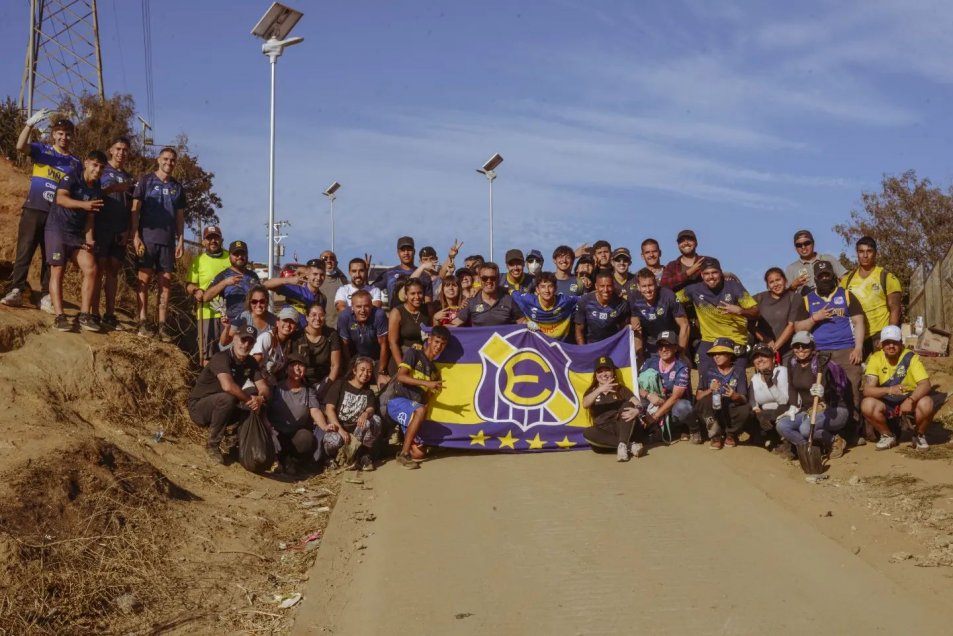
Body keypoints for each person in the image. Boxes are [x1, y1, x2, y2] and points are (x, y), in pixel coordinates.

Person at [3, 111, 80, 311]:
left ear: (72, 136)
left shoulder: (76, 163)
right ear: (54, 134)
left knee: (50, 255)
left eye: (68, 134)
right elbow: (20, 146)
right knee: (24, 250)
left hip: (57, 216)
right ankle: (17, 290)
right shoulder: (42, 150)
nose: (64, 138)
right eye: (60, 133)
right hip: (34, 208)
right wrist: (29, 125)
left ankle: (46, 295)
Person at [792, 260, 865, 428]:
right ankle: (828, 428)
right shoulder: (807, 300)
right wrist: (815, 318)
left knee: (851, 388)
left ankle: (852, 428)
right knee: (823, 391)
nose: (824, 278)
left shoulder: (845, 295)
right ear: (815, 278)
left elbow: (859, 322)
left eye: (827, 275)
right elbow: (798, 328)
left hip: (846, 349)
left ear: (833, 276)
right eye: (820, 276)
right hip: (819, 352)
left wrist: (858, 347)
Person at [188, 323, 269, 464]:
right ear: (235, 339)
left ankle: (237, 443)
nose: (245, 345)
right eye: (243, 340)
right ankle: (212, 445)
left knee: (255, 400)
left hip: (223, 407)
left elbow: (264, 387)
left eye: (250, 342)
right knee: (230, 398)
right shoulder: (221, 357)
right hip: (200, 408)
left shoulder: (250, 362)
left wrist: (260, 399)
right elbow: (227, 386)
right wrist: (250, 399)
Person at [45, 149, 107, 332]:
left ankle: (84, 315)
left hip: (76, 234)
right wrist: (84, 204)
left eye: (102, 168)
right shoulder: (71, 177)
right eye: (95, 165)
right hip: (57, 229)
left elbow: (90, 216)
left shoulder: (96, 188)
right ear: (86, 162)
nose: (98, 170)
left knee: (91, 267)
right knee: (58, 269)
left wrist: (89, 239)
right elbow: (61, 199)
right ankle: (59, 316)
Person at [130, 147, 186, 341]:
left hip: (168, 242)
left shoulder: (177, 187)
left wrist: (180, 240)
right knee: (143, 280)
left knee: (165, 284)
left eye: (172, 160)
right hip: (147, 239)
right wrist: (135, 235)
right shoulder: (145, 181)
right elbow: (135, 210)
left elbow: (180, 216)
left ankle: (162, 326)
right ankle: (143, 321)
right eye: (166, 159)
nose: (168, 163)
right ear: (158, 159)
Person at [677, 257, 759, 381]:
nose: (711, 277)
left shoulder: (734, 287)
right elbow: (669, 299)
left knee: (736, 381)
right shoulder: (694, 290)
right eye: (706, 274)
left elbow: (756, 311)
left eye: (714, 272)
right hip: (709, 340)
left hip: (735, 340)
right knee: (705, 378)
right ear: (701, 275)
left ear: (720, 272)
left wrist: (741, 310)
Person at [861, 325, 937, 451]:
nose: (891, 346)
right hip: (887, 401)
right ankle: (887, 436)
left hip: (909, 397)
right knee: (867, 404)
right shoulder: (875, 359)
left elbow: (925, 384)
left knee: (927, 403)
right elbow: (867, 390)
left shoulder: (911, 357)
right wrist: (889, 390)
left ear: (901, 343)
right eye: (887, 343)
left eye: (895, 342)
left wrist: (911, 400)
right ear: (881, 344)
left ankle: (918, 435)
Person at [776, 331, 850, 459]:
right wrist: (793, 407)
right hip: (808, 410)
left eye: (805, 346)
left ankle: (835, 441)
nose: (800, 349)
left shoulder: (822, 363)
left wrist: (823, 392)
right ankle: (807, 450)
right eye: (796, 346)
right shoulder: (792, 363)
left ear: (812, 346)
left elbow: (829, 389)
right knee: (783, 425)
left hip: (834, 410)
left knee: (805, 429)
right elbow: (792, 387)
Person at [389, 325, 450, 469]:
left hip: (415, 410)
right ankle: (403, 455)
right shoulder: (414, 353)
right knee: (421, 410)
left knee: (419, 454)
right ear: (429, 339)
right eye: (436, 341)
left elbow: (426, 398)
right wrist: (427, 383)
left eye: (442, 344)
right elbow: (401, 377)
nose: (438, 346)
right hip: (397, 402)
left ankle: (398, 447)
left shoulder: (435, 370)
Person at [91, 136, 134, 330]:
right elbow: (92, 192)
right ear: (111, 149)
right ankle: (93, 312)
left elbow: (130, 207)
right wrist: (114, 188)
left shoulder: (128, 176)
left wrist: (128, 230)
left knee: (114, 269)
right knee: (98, 268)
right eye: (118, 149)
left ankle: (109, 313)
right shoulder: (101, 169)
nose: (121, 153)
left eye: (125, 150)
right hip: (101, 227)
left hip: (120, 230)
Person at [840, 237, 902, 355]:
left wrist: (888, 337)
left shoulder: (887, 277)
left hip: (879, 334)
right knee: (854, 371)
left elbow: (895, 309)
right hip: (856, 336)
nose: (865, 255)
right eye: (861, 251)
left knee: (881, 371)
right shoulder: (847, 280)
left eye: (869, 251)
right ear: (857, 253)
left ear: (875, 253)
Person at [322, 356, 383, 471]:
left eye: (369, 371)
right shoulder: (340, 385)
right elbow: (329, 409)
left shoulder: (368, 392)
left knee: (375, 420)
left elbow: (371, 409)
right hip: (339, 428)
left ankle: (363, 455)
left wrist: (365, 414)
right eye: (362, 369)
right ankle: (330, 459)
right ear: (354, 370)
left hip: (357, 431)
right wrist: (340, 430)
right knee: (333, 440)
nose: (366, 373)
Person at [267, 352, 323, 474]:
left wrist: (325, 426)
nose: (297, 368)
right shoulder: (276, 388)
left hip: (295, 436)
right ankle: (279, 461)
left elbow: (315, 411)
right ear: (286, 369)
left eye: (301, 365)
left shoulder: (309, 391)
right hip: (276, 434)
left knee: (307, 438)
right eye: (293, 365)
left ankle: (292, 461)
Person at [637, 331, 698, 443]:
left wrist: (654, 416)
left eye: (668, 345)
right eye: (661, 346)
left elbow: (675, 397)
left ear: (675, 348)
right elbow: (636, 385)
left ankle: (693, 429)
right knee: (637, 403)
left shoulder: (681, 366)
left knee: (684, 407)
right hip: (653, 403)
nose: (664, 349)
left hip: (672, 406)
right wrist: (648, 395)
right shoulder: (649, 362)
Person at [583, 355, 644, 462]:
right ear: (595, 375)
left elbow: (637, 403)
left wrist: (637, 410)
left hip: (621, 426)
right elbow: (585, 404)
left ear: (612, 372)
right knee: (588, 433)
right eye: (600, 371)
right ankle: (628, 446)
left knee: (628, 405)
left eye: (607, 370)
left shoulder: (620, 388)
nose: (604, 374)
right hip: (603, 431)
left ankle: (623, 444)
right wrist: (600, 389)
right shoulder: (592, 391)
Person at [694, 338, 751, 450]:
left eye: (720, 353)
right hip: (713, 412)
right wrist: (710, 390)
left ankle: (731, 434)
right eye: (714, 354)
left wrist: (735, 396)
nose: (716, 356)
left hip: (731, 411)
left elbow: (744, 399)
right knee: (704, 402)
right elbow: (698, 397)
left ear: (730, 354)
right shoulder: (707, 370)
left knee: (746, 408)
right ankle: (715, 436)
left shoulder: (739, 371)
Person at [185, 226, 231, 362]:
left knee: (229, 354)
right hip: (206, 313)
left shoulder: (230, 258)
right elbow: (188, 284)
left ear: (221, 240)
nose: (213, 241)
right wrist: (195, 290)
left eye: (216, 238)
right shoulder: (199, 261)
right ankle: (209, 382)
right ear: (204, 241)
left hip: (228, 314)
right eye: (209, 238)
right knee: (207, 355)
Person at [629, 268, 689, 363]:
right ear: (638, 287)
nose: (648, 290)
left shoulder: (668, 295)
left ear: (656, 284)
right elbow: (637, 329)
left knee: (681, 365)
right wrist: (639, 354)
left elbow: (684, 325)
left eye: (650, 285)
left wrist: (681, 352)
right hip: (651, 340)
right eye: (644, 286)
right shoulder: (634, 298)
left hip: (671, 338)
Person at [287, 302, 342, 398]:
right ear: (307, 317)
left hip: (324, 379)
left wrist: (326, 388)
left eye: (321, 315)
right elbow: (293, 365)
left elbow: (335, 365)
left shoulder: (331, 334)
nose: (317, 318)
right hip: (301, 379)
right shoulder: (297, 336)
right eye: (313, 315)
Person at [338, 290, 391, 384]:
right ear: (352, 307)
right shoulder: (344, 316)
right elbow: (344, 345)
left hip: (376, 357)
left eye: (366, 306)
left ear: (372, 305)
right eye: (358, 306)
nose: (362, 310)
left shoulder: (379, 315)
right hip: (355, 357)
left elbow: (384, 344)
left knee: (384, 383)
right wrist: (349, 367)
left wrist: (382, 371)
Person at [748, 343, 791, 454]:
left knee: (772, 414)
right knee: (749, 414)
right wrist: (757, 411)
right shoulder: (755, 378)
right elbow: (753, 400)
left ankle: (787, 443)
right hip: (765, 414)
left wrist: (770, 384)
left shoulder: (781, 371)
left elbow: (784, 401)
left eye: (764, 356)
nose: (760, 359)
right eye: (756, 357)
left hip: (784, 410)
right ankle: (768, 441)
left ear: (773, 359)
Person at [511, 271, 579, 340]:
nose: (547, 290)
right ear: (537, 289)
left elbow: (585, 299)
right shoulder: (528, 299)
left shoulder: (565, 301)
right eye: (543, 287)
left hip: (559, 346)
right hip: (537, 345)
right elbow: (511, 292)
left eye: (550, 286)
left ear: (555, 288)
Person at [204, 240, 261, 323]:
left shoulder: (253, 276)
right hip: (231, 325)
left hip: (253, 323)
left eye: (243, 254)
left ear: (247, 256)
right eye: (236, 254)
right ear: (229, 256)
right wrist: (225, 283)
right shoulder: (223, 275)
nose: (240, 257)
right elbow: (206, 297)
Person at [452, 263, 523, 327]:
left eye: (493, 278)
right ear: (479, 279)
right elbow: (454, 325)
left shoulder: (509, 300)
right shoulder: (471, 302)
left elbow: (523, 322)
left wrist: (533, 326)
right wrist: (440, 322)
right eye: (484, 278)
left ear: (498, 279)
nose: (489, 281)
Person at [262, 258, 327, 328]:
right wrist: (288, 280)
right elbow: (265, 285)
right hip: (289, 333)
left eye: (322, 275)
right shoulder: (295, 289)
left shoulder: (322, 298)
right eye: (315, 274)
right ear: (307, 275)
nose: (318, 278)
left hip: (306, 336)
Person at [373, 236, 434, 308]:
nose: (406, 253)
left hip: (417, 317)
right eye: (403, 250)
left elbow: (428, 303)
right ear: (398, 253)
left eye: (409, 250)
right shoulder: (389, 273)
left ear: (414, 251)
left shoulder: (424, 275)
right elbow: (370, 290)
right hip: (395, 317)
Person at [574, 270, 631, 345]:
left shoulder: (622, 304)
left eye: (609, 286)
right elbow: (579, 331)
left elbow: (624, 331)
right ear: (596, 286)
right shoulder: (584, 301)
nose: (606, 290)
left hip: (612, 347)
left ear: (613, 286)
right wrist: (583, 350)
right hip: (591, 346)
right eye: (602, 286)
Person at [753, 267, 799, 357]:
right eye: (771, 282)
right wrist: (765, 339)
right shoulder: (759, 298)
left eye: (778, 280)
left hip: (789, 351)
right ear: (767, 285)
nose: (776, 284)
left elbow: (791, 325)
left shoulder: (794, 297)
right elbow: (748, 323)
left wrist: (775, 347)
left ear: (785, 280)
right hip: (764, 352)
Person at [388, 278, 430, 373]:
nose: (417, 296)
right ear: (406, 295)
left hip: (421, 360)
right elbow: (392, 343)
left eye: (420, 293)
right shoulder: (397, 312)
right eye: (412, 293)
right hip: (402, 358)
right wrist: (401, 366)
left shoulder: (428, 309)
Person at [785, 230, 845, 296]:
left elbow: (845, 279)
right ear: (795, 248)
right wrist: (793, 287)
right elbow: (783, 298)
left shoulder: (828, 259)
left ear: (813, 243)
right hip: (807, 304)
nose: (803, 247)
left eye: (807, 243)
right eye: (799, 245)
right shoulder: (791, 268)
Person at [251, 305, 299, 385]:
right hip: (255, 381)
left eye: (292, 322)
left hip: (272, 382)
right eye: (285, 320)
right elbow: (253, 364)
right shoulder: (267, 337)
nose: (288, 325)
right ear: (277, 322)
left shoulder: (289, 345)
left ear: (296, 327)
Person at [319, 250, 349, 329]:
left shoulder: (344, 282)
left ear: (336, 263)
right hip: (320, 327)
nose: (328, 261)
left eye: (332, 258)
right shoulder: (316, 281)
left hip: (339, 328)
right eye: (324, 258)